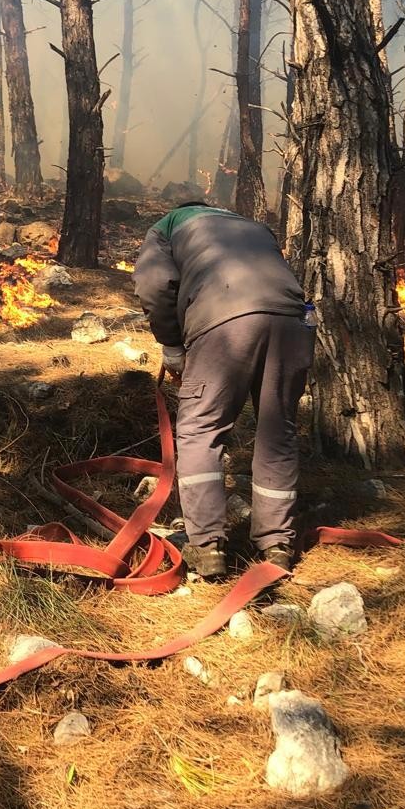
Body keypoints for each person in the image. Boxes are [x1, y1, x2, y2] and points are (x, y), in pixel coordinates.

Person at [132, 201, 313, 579]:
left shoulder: (165, 228)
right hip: (293, 322)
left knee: (201, 428)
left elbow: (153, 285)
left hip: (223, 322)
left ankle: (206, 545)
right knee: (277, 430)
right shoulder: (253, 225)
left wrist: (171, 345)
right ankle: (277, 544)